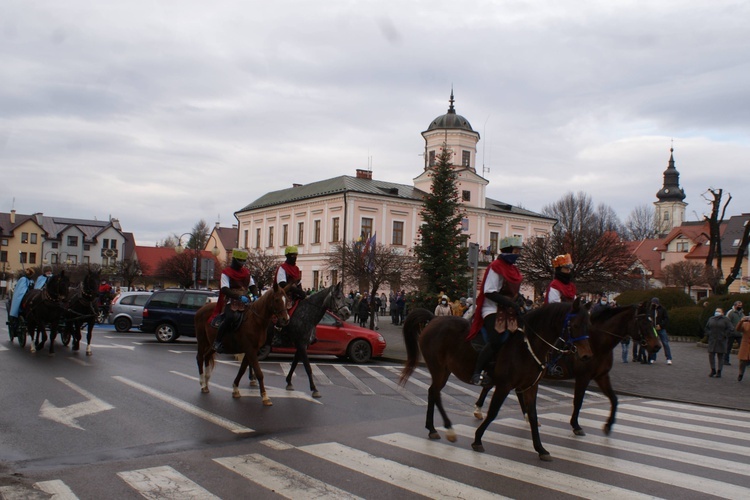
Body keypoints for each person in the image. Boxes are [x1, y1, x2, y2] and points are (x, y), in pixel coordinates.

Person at [469, 236, 524, 386]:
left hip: (508, 309)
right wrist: (509, 303)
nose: (519, 253)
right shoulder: (496, 266)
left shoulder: (513, 269)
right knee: (497, 337)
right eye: (517, 250)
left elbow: (513, 291)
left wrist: (519, 299)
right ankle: (477, 372)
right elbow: (489, 291)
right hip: (492, 308)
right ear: (510, 250)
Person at [212, 248, 255, 353]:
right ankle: (217, 342)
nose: (241, 265)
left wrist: (256, 295)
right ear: (234, 260)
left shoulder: (246, 272)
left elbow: (252, 285)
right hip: (231, 301)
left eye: (243, 262)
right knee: (230, 317)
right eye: (239, 262)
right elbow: (225, 289)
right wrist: (238, 297)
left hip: (246, 301)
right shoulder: (226, 273)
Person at [705, 307, 734, 378]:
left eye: (718, 311)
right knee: (711, 355)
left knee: (720, 356)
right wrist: (709, 333)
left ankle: (719, 371)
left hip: (721, 340)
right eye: (716, 311)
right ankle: (713, 369)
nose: (717, 312)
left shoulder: (726, 320)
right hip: (712, 340)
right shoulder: (711, 319)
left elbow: (731, 328)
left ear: (722, 313)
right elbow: (706, 328)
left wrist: (725, 335)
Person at [8, 268, 35, 336]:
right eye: (29, 273)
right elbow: (20, 289)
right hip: (23, 295)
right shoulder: (23, 279)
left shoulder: (31, 280)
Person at [649, 297, 672, 365]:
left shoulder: (662, 309)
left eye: (654, 303)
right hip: (653, 329)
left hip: (661, 329)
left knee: (665, 343)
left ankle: (669, 358)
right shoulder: (651, 309)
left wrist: (661, 325)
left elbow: (666, 319)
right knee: (653, 343)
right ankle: (652, 358)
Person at [724, 301, 743, 365]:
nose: (740, 307)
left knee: (743, 347)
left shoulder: (742, 313)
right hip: (731, 333)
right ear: (735, 305)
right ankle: (725, 360)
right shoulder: (730, 312)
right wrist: (731, 329)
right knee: (728, 347)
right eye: (739, 305)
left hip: (739, 333)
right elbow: (727, 322)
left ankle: (744, 361)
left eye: (741, 305)